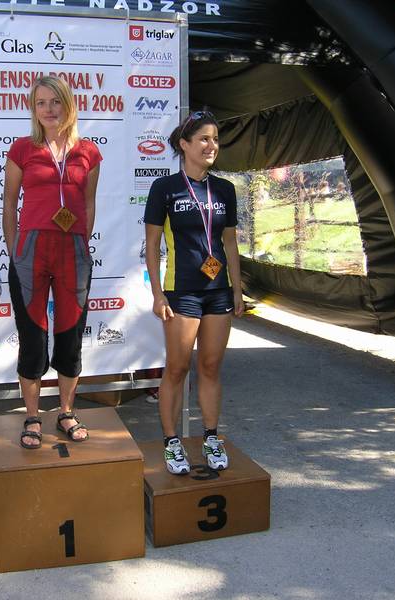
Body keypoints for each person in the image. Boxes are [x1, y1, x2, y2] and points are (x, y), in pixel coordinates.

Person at [2, 76, 101, 449]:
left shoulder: (89, 152)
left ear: (68, 104)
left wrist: (82, 243)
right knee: (32, 336)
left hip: (72, 252)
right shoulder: (21, 149)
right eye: (41, 103)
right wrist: (15, 249)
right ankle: (32, 416)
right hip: (31, 252)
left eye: (55, 101)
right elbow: (9, 202)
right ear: (33, 108)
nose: (49, 109)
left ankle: (66, 411)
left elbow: (88, 203)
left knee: (71, 335)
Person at [143, 110, 244, 475]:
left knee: (211, 367)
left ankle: (211, 437)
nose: (211, 145)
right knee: (177, 368)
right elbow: (152, 244)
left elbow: (229, 243)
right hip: (181, 290)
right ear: (184, 145)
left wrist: (237, 289)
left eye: (215, 139)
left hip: (218, 291)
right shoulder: (164, 188)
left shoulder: (225, 189)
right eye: (203, 139)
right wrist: (158, 294)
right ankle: (172, 441)